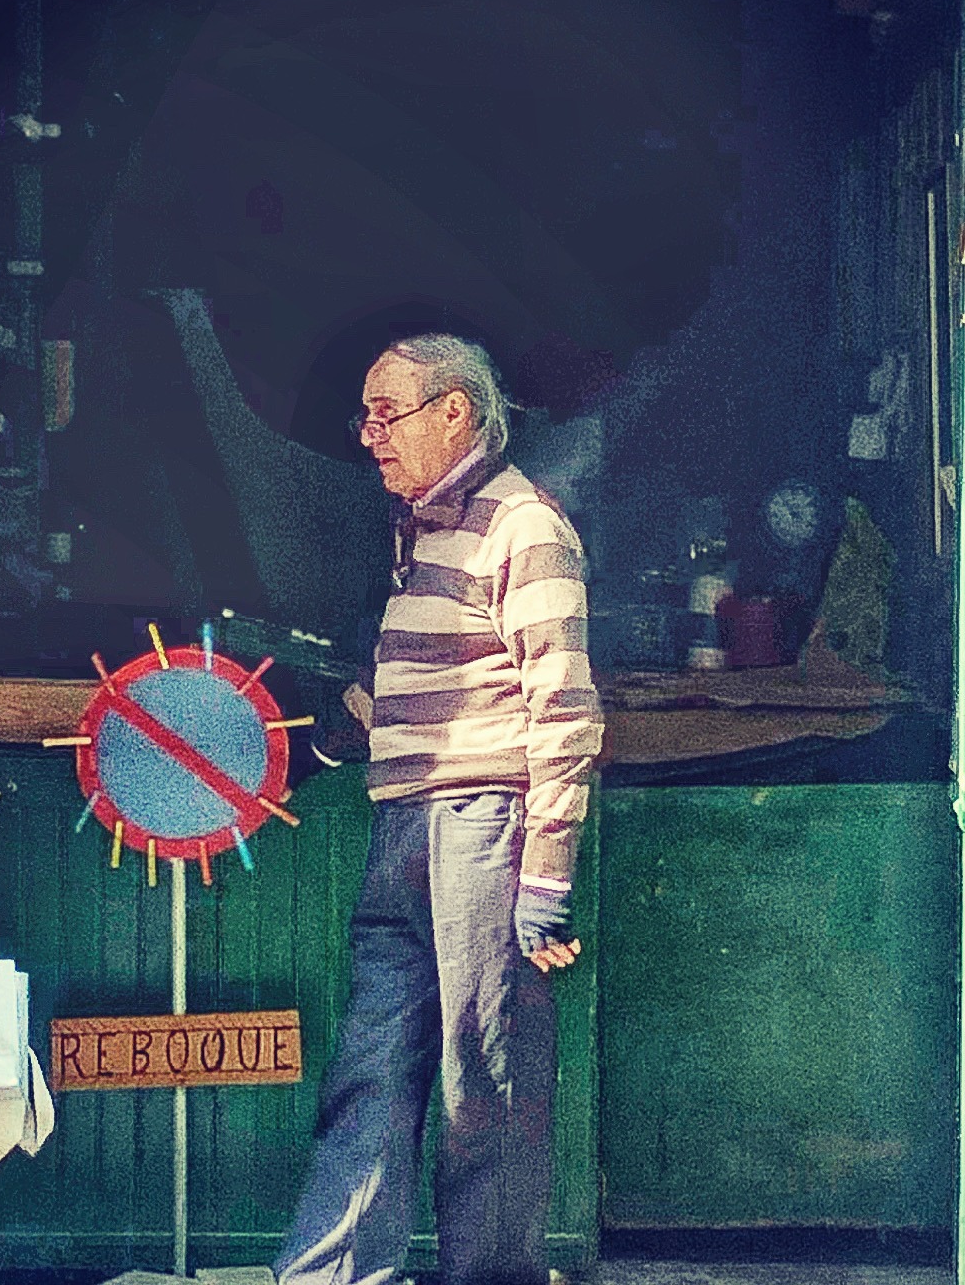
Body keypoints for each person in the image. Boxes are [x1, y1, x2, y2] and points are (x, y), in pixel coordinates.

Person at [276, 334, 605, 1285]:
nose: (370, 436)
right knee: (370, 1070)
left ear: (455, 412)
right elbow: (435, 685)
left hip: (484, 832)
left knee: (485, 1083)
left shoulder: (524, 526)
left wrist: (545, 876)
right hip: (405, 827)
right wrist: (343, 735)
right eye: (366, 417)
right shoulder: (418, 529)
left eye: (388, 413)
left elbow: (565, 707)